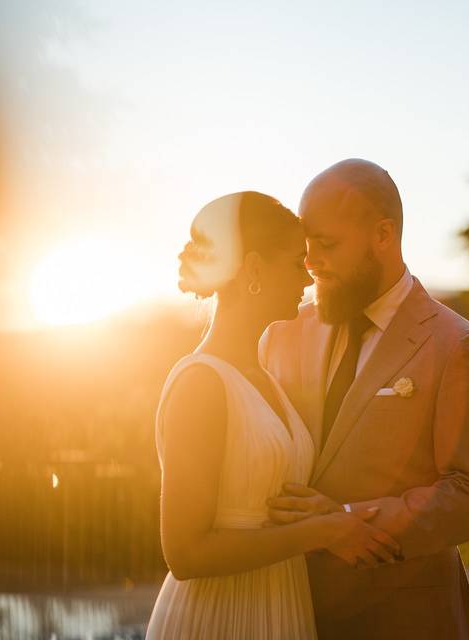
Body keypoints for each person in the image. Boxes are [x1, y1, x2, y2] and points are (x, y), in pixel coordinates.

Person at [260, 159, 469, 639]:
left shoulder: (458, 345)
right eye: (306, 246)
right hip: (289, 612)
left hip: (406, 618)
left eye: (326, 245)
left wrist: (344, 520)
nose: (310, 262)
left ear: (382, 235)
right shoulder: (283, 334)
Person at [145, 191, 402, 640]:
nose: (307, 277)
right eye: (294, 261)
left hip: (281, 607)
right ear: (255, 271)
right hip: (220, 620)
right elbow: (185, 554)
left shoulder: (263, 375)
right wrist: (321, 533)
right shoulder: (201, 384)